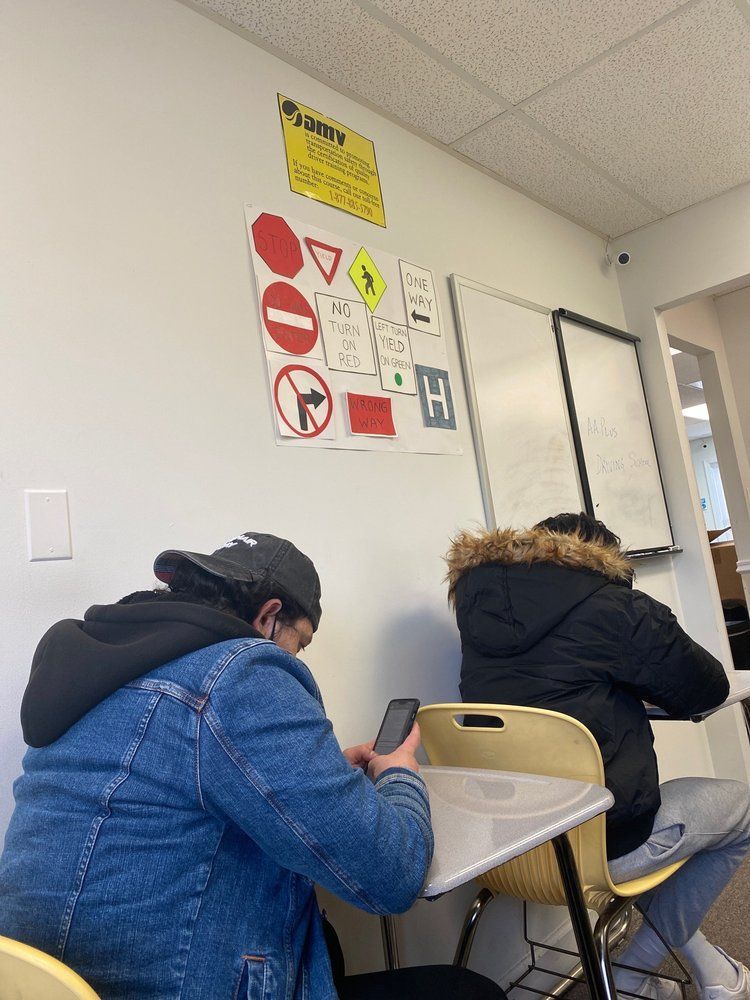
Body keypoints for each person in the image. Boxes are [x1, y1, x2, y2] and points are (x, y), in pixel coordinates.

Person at [0, 532, 435, 999]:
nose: (296, 656)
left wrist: (315, 776)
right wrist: (398, 771)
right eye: (300, 644)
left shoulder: (95, 668)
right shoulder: (239, 676)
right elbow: (391, 874)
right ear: (269, 618)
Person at [446, 512, 750, 1000]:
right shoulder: (614, 606)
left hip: (510, 844)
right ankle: (633, 971)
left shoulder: (476, 614)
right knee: (737, 807)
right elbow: (705, 688)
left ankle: (712, 969)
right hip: (599, 846)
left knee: (645, 816)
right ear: (604, 561)